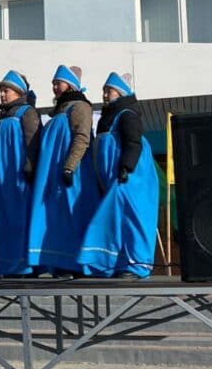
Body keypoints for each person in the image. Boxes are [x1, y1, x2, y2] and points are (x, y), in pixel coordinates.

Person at [79, 73, 159, 278]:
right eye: (104, 91)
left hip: (130, 178)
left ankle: (136, 265)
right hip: (112, 178)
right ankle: (114, 263)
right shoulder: (107, 117)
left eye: (109, 91)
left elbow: (133, 142)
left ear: (121, 93)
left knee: (132, 218)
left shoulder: (127, 114)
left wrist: (126, 167)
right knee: (116, 219)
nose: (105, 95)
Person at [27, 65, 99, 277]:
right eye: (53, 83)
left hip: (74, 174)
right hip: (55, 175)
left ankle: (76, 264)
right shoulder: (60, 111)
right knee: (57, 218)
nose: (54, 87)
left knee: (73, 214)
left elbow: (81, 138)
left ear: (70, 85)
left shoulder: (79, 106)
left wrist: (69, 167)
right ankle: (59, 262)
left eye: (58, 83)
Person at [0, 70, 41, 276]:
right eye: (1, 91)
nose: (2, 94)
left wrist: (29, 168)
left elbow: (33, 142)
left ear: (18, 92)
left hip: (18, 176)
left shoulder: (27, 112)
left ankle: (25, 265)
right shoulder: (2, 116)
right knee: (4, 221)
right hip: (1, 178)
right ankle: (5, 264)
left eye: (6, 90)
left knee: (20, 219)